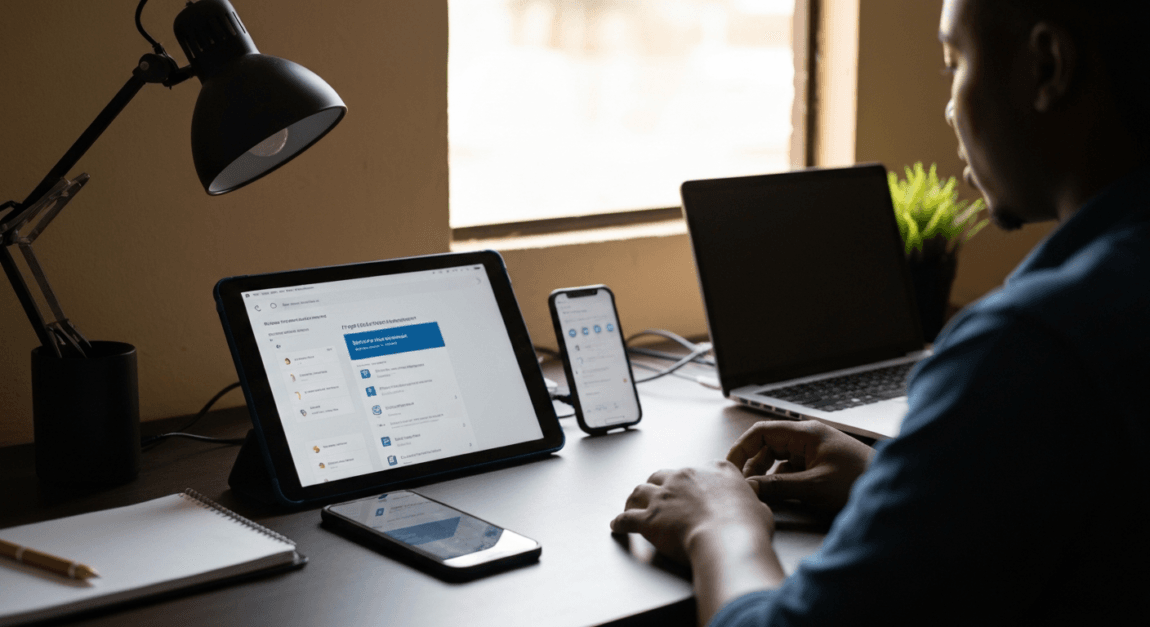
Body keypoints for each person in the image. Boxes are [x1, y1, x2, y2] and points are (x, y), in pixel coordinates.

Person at [611, 0, 1150, 624]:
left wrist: (720, 524)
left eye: (955, 62)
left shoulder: (1031, 349)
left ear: (1048, 66)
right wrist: (898, 479)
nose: (949, 107)